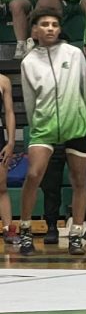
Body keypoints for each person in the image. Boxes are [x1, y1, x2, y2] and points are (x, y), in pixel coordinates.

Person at [15, 8, 86, 257]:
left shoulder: (73, 54)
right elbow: (30, 101)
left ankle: (75, 234)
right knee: (33, 174)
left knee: (79, 180)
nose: (50, 28)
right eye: (45, 24)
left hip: (77, 126)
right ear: (35, 31)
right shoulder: (28, 62)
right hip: (44, 128)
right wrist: (37, 126)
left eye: (54, 24)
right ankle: (25, 229)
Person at [40, 145, 86, 246]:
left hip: (76, 136)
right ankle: (51, 226)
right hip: (53, 138)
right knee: (50, 184)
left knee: (84, 182)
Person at [0, 68, 13, 243]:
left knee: (1, 186)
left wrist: (10, 142)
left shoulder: (3, 81)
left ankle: (8, 229)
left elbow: (9, 112)